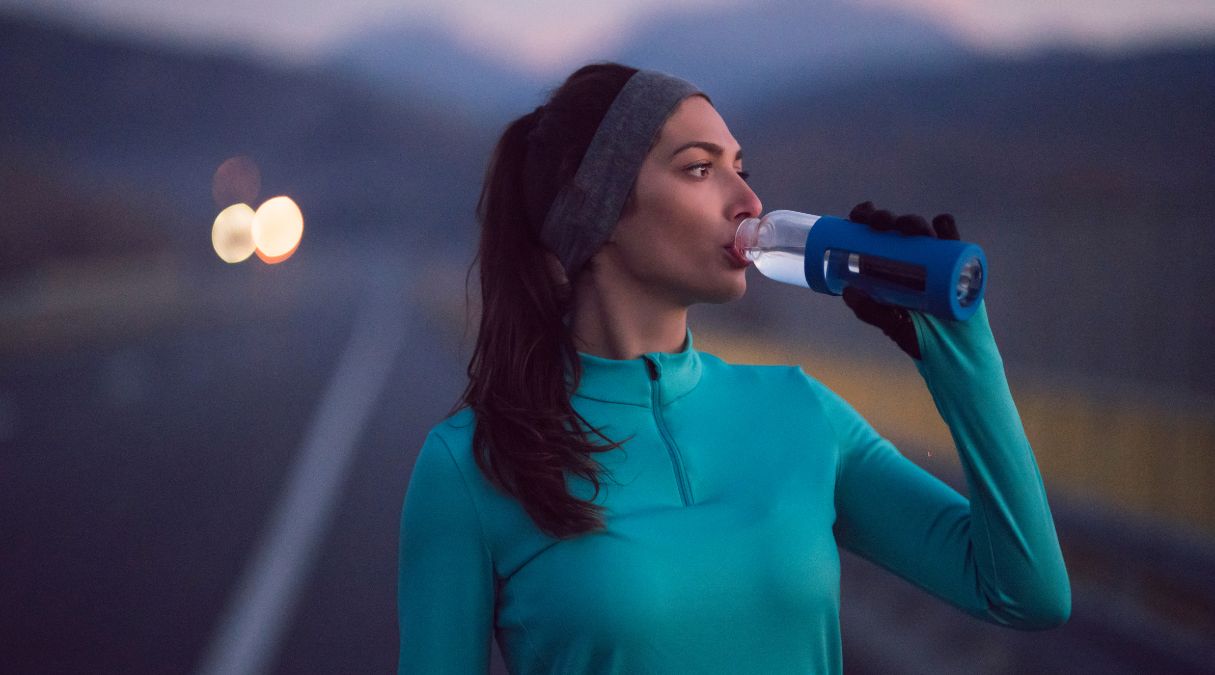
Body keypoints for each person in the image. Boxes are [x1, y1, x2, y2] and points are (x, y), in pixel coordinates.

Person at [397, 63, 1070, 674]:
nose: (748, 200)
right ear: (595, 212)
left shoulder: (798, 410)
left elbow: (1025, 591)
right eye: (699, 168)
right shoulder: (474, 464)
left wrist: (958, 351)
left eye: (740, 166)